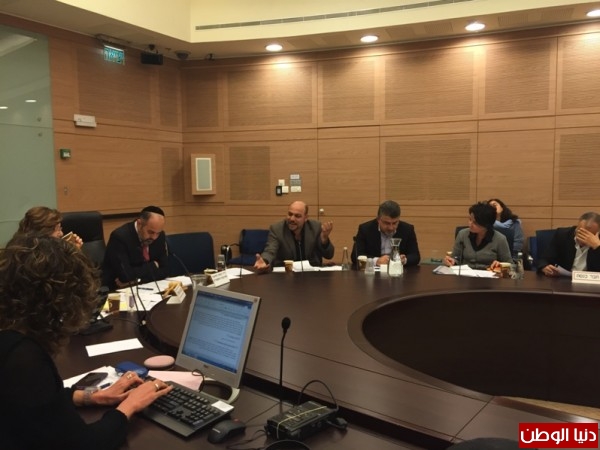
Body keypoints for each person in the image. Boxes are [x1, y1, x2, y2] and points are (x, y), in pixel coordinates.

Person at [0, 234, 172, 450]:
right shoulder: (23, 357)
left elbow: (36, 401)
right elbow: (84, 444)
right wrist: (130, 405)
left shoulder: (10, 337)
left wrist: (91, 397)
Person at [254, 200, 334, 272]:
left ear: (306, 218)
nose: (292, 219)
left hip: (311, 275)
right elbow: (270, 251)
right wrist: (265, 261)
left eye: (297, 216)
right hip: (286, 275)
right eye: (290, 214)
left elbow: (329, 255)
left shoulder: (315, 227)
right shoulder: (277, 229)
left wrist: (324, 240)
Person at [102, 206, 168, 290]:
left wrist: (136, 281)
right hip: (117, 291)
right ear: (140, 224)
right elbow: (125, 276)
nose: (154, 237)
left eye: (158, 233)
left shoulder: (160, 236)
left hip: (146, 288)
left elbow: (165, 271)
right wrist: (153, 265)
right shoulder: (120, 237)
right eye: (150, 232)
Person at [351, 200, 420, 268]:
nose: (391, 228)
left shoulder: (407, 229)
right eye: (387, 223)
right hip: (373, 272)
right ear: (378, 219)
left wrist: (404, 260)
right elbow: (355, 256)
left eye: (394, 223)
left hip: (399, 271)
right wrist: (376, 261)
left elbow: (415, 256)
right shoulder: (365, 229)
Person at [444, 201, 512, 270]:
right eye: (470, 219)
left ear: (486, 224)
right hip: (466, 274)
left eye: (475, 223)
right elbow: (456, 258)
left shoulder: (500, 239)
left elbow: (510, 265)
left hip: (488, 275)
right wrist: (452, 261)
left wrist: (500, 265)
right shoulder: (463, 234)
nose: (470, 224)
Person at [537, 212, 600, 277]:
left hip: (590, 281)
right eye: (580, 232)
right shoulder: (562, 235)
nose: (583, 237)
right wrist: (544, 267)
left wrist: (597, 247)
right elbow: (544, 259)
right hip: (564, 280)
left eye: (589, 235)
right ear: (577, 227)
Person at [16, 206, 83, 247]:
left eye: (60, 228)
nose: (61, 234)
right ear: (43, 232)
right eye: (58, 229)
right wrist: (73, 254)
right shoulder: (47, 258)